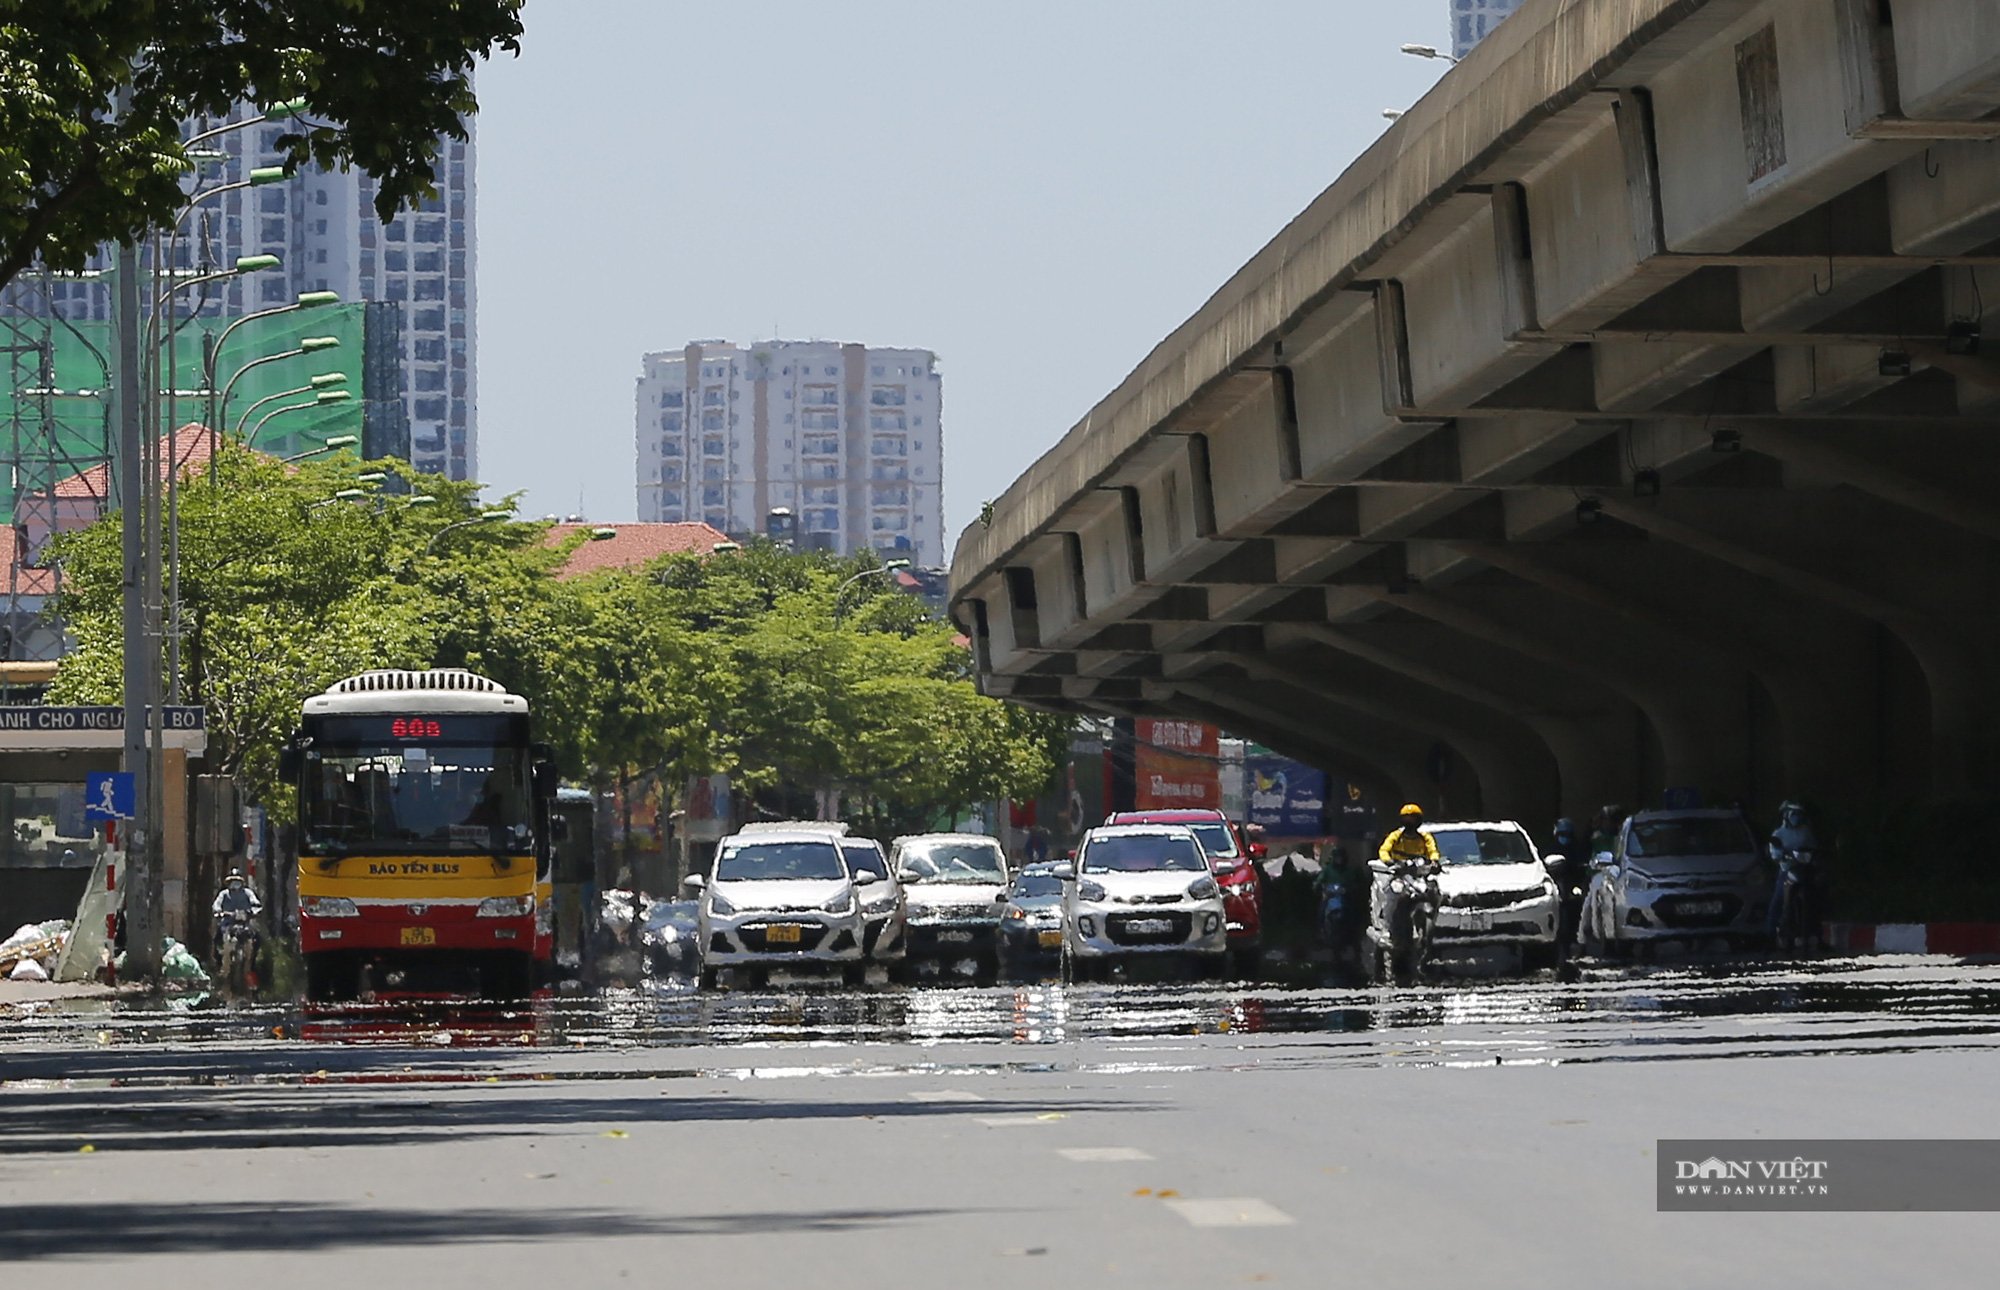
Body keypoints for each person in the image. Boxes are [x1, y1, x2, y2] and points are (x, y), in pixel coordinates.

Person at [1766, 800, 1820, 944]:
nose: (1796, 817)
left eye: (1798, 814)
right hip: (1787, 870)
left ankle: (1818, 935)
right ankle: (1770, 937)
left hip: (1805, 870)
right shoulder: (1779, 833)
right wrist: (1781, 855)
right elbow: (1775, 853)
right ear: (1786, 815)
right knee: (1776, 902)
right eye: (1793, 814)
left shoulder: (1805, 831)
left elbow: (1813, 846)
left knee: (1817, 898)